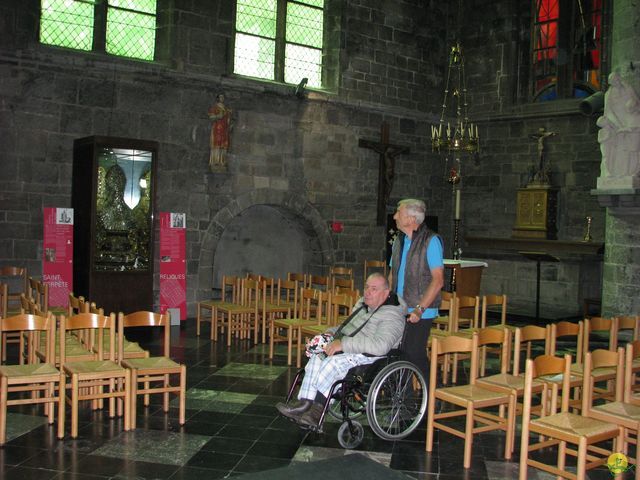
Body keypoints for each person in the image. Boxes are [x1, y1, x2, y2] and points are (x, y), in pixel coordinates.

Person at [276, 273, 406, 427]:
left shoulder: (392, 315)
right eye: (366, 287)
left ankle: (317, 411)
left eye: (374, 289)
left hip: (371, 355)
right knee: (318, 357)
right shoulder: (364, 305)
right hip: (352, 347)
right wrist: (331, 333)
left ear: (385, 293)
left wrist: (343, 344)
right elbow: (348, 328)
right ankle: (305, 403)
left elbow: (380, 346)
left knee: (332, 363)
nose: (367, 292)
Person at [389, 198, 444, 382]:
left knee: (414, 353)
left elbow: (437, 281)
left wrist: (420, 309)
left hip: (422, 309)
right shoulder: (399, 240)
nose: (395, 216)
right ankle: (405, 399)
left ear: (412, 218)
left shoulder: (431, 241)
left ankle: (427, 399)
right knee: (401, 352)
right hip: (401, 306)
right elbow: (393, 273)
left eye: (399, 212)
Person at [208, 94, 232, 169]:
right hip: (217, 129)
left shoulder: (226, 109)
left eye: (223, 97)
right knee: (217, 143)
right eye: (220, 97)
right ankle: (215, 161)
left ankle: (222, 161)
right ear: (218, 98)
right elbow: (211, 117)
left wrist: (229, 125)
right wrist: (218, 116)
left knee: (224, 144)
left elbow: (228, 120)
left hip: (224, 129)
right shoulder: (215, 107)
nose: (222, 98)